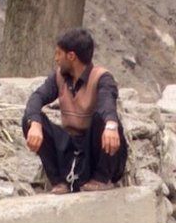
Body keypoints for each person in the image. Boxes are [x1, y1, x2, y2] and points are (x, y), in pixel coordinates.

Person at [22, 28, 127, 194]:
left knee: (103, 120)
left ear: (71, 56)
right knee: (30, 119)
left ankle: (100, 179)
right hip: (71, 147)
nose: (56, 59)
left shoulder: (102, 78)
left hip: (95, 150)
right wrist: (34, 123)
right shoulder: (59, 77)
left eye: (58, 54)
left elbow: (107, 103)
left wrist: (111, 126)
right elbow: (37, 97)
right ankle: (59, 181)